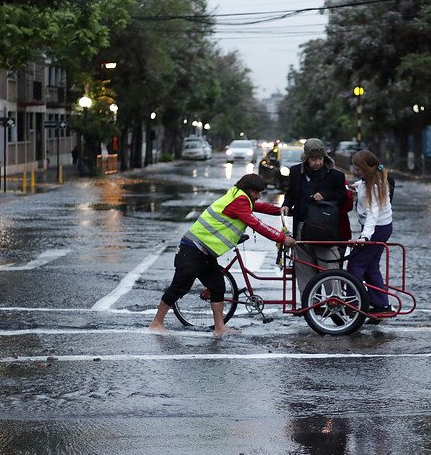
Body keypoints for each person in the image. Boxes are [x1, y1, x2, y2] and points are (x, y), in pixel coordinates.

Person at [150, 174, 295, 337]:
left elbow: (260, 207)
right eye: (256, 192)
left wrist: (282, 211)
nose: (258, 196)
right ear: (248, 190)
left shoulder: (240, 196)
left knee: (217, 286)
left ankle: (219, 328)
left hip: (206, 252)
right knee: (179, 286)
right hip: (193, 248)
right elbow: (256, 223)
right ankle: (156, 323)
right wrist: (282, 238)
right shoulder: (239, 200)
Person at [281, 138, 348, 300]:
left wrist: (325, 195)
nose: (317, 163)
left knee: (329, 264)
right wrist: (286, 204)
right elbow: (291, 192)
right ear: (306, 158)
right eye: (313, 159)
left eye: (320, 159)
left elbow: (343, 197)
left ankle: (335, 300)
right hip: (302, 225)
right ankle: (310, 302)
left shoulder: (336, 176)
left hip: (325, 227)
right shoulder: (296, 172)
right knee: (303, 266)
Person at [347, 150, 394, 320]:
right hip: (382, 228)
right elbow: (362, 186)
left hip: (376, 230)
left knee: (355, 265)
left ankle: (352, 304)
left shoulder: (374, 186)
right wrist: (354, 186)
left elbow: (372, 214)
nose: (356, 172)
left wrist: (365, 237)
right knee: (371, 267)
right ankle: (382, 305)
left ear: (366, 169)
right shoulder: (373, 180)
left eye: (358, 170)